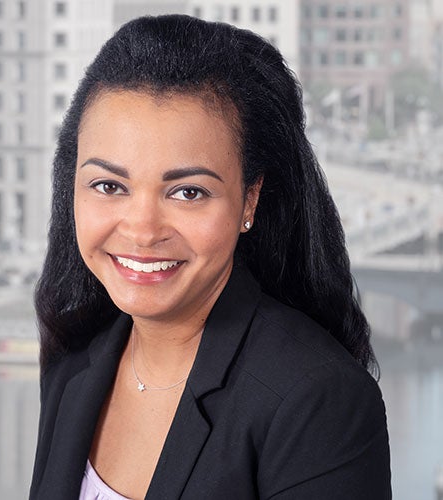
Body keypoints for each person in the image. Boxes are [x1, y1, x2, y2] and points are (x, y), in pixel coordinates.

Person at [29, 14, 391, 500]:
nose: (142, 230)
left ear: (249, 200)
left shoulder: (318, 401)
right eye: (109, 186)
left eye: (188, 192)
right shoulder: (74, 362)